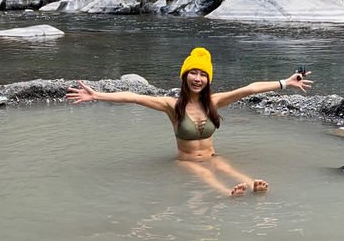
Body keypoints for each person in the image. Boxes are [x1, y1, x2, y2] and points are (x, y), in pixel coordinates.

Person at [66, 47, 313, 196]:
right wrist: (97, 94)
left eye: (203, 74)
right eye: (193, 73)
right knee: (205, 176)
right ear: (185, 77)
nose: (197, 78)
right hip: (186, 161)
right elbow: (134, 97)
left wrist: (285, 82)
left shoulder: (213, 102)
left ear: (208, 79)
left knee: (228, 169)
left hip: (212, 156)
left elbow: (249, 89)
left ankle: (252, 185)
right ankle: (226, 193)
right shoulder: (172, 106)